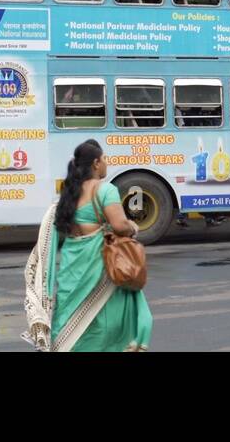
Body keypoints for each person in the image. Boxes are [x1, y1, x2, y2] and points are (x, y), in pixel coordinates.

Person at [23, 139, 152, 352]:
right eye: (104, 159)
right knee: (105, 323)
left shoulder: (69, 193)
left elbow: (63, 232)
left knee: (68, 320)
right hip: (99, 269)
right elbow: (119, 226)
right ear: (95, 163)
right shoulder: (105, 190)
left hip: (71, 269)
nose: (106, 163)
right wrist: (132, 227)